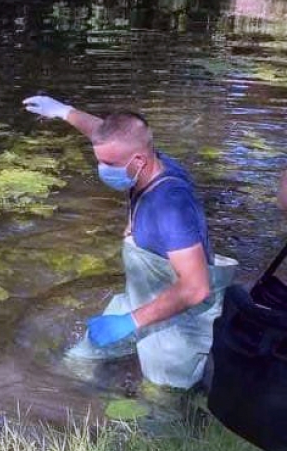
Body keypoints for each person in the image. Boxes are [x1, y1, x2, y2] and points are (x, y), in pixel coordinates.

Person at [23, 95, 237, 390]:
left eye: (108, 164)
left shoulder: (169, 206)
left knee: (162, 396)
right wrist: (63, 112)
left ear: (138, 160)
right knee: (77, 362)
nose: (103, 170)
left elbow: (196, 288)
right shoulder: (144, 160)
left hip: (182, 319)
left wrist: (129, 322)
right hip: (145, 294)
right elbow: (110, 135)